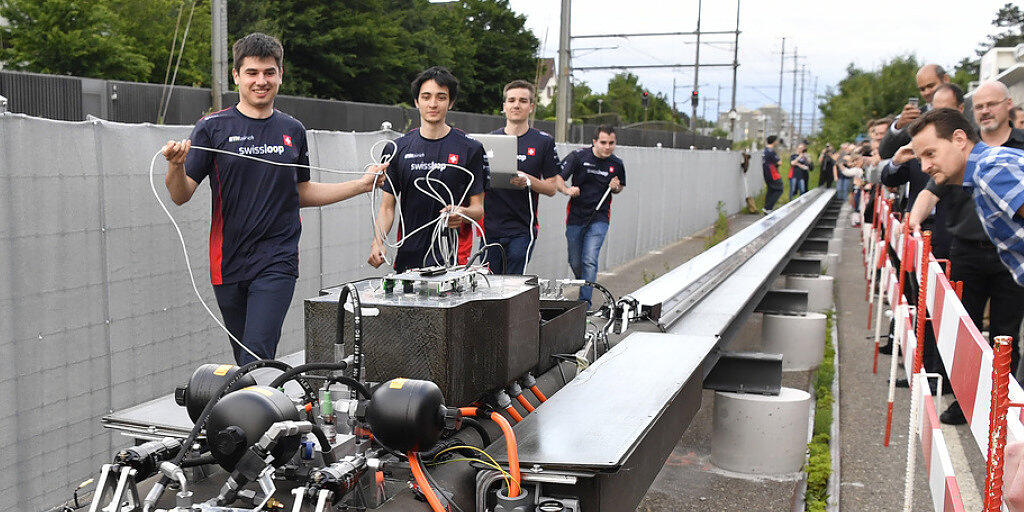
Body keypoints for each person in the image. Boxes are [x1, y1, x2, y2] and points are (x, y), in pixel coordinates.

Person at [161, 33, 383, 364]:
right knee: (246, 363)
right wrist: (175, 167)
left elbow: (301, 192)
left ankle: (260, 408)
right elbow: (180, 195)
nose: (261, 81)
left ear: (280, 74)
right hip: (228, 263)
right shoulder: (211, 128)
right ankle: (266, 409)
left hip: (276, 261)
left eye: (269, 72)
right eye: (252, 73)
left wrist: (363, 185)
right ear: (236, 76)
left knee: (256, 355)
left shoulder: (292, 130)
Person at [907, 82, 1024, 424]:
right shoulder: (979, 175)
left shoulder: (990, 169)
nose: (926, 166)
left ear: (960, 140)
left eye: (930, 154)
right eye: (920, 158)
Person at [368, 66, 488, 273]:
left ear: (450, 103)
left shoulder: (471, 148)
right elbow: (387, 207)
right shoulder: (397, 149)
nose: (433, 104)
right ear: (417, 101)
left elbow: (479, 209)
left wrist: (462, 213)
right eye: (426, 97)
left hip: (454, 259)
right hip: (408, 258)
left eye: (441, 97)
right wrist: (377, 242)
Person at [483, 80, 560, 274]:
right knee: (488, 284)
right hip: (490, 228)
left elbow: (551, 188)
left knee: (512, 285)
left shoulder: (543, 141)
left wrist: (528, 179)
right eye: (512, 100)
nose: (516, 105)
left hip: (522, 229)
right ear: (504, 106)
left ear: (531, 107)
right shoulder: (488, 140)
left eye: (523, 101)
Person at [558, 125, 625, 304]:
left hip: (599, 218)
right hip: (575, 216)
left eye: (612, 143)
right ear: (594, 142)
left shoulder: (617, 164)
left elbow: (620, 187)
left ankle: (584, 303)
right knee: (575, 260)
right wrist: (567, 190)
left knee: (589, 259)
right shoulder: (578, 157)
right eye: (603, 143)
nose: (608, 147)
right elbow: (558, 178)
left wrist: (615, 187)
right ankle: (586, 281)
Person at [879, 64, 951, 159]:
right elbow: (885, 153)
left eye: (931, 86)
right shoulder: (914, 118)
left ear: (945, 79)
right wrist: (898, 127)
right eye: (922, 89)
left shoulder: (969, 109)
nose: (927, 92)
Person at [761, 135, 783, 212]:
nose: (777, 142)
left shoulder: (765, 150)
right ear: (774, 141)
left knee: (770, 190)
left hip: (766, 173)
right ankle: (768, 207)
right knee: (779, 189)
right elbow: (779, 162)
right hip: (772, 173)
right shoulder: (771, 151)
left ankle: (766, 208)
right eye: (776, 141)